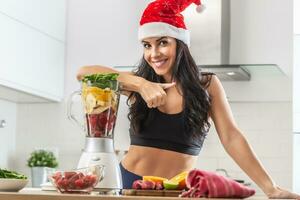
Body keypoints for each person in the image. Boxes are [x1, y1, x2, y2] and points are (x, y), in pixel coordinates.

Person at [77, 0, 300, 198]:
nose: (154, 53)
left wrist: (271, 188)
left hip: (179, 193)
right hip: (128, 187)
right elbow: (84, 73)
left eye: (163, 42)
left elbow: (232, 137)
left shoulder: (207, 85)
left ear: (180, 43)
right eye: (147, 45)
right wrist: (141, 84)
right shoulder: (137, 84)